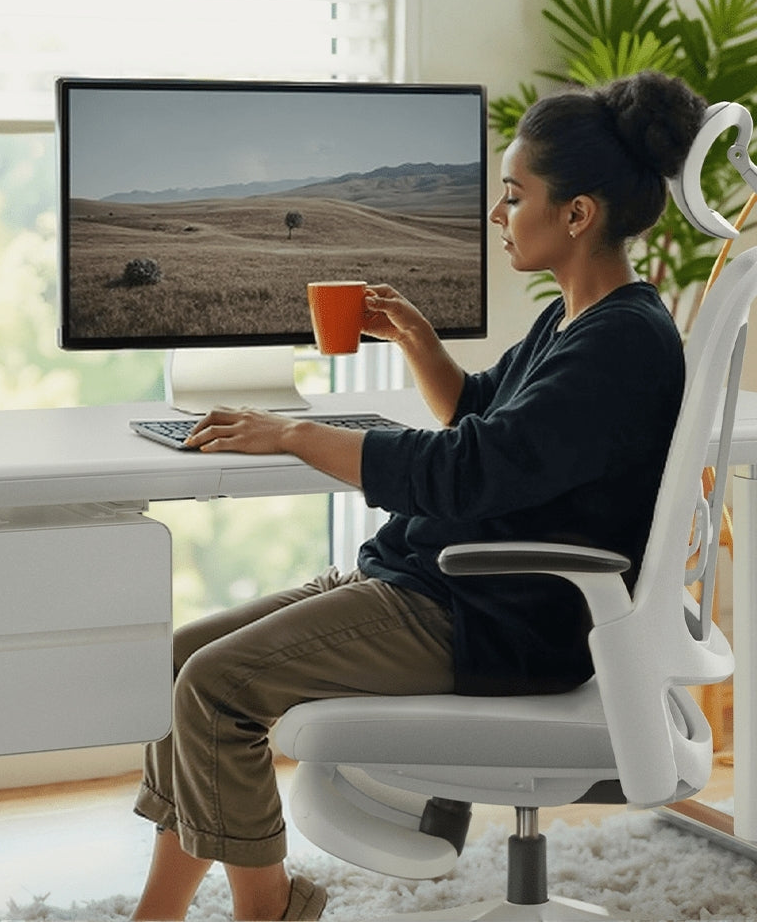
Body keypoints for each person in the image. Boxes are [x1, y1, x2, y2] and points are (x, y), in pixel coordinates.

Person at [129, 70, 707, 922]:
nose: (496, 215)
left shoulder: (622, 345)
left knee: (216, 690)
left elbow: (467, 471)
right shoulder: (575, 320)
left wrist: (294, 433)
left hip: (489, 616)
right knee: (171, 666)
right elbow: (483, 416)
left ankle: (270, 910)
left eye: (513, 197)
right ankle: (160, 914)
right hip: (435, 581)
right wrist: (418, 342)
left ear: (577, 214)